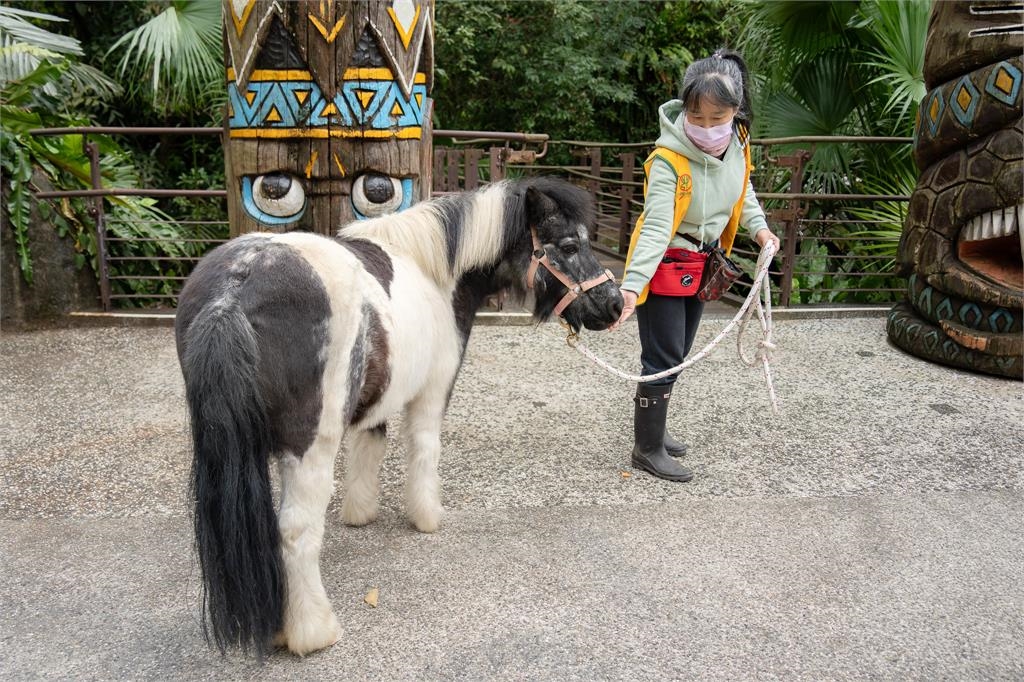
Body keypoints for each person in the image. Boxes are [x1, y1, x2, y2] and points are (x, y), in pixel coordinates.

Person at [609, 49, 781, 483]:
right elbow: (654, 226)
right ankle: (646, 449)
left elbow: (745, 192)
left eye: (716, 117)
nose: (705, 127)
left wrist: (760, 231)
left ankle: (657, 434)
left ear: (736, 112)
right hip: (665, 264)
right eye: (696, 117)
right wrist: (632, 286)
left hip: (703, 264)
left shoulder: (738, 143)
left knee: (679, 353)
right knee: (662, 356)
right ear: (684, 108)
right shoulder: (668, 160)